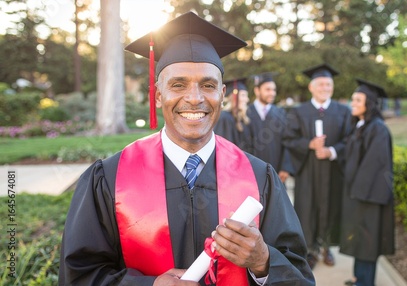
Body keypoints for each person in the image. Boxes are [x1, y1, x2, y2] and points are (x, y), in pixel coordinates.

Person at [59, 12, 314, 286]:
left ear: (222, 95)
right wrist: (150, 285)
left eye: (208, 85)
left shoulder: (258, 177)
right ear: (158, 95)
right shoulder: (110, 178)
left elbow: (299, 275)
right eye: (178, 85)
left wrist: (264, 262)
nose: (194, 98)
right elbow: (80, 276)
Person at [283, 63, 351, 269]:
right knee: (307, 208)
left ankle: (326, 247)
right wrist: (309, 144)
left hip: (332, 171)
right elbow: (288, 139)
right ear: (311, 87)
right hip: (308, 171)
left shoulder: (343, 111)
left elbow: (350, 140)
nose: (325, 88)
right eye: (320, 84)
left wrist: (331, 151)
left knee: (330, 207)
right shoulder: (299, 112)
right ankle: (309, 250)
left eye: (328, 84)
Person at [339, 79, 395, 286]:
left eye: (357, 100)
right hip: (358, 195)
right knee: (360, 242)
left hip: (368, 197)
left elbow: (376, 165)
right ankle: (358, 278)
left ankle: (365, 282)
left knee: (368, 244)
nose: (352, 103)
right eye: (352, 99)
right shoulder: (360, 126)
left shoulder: (377, 129)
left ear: (368, 104)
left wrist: (357, 192)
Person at [245, 72, 293, 183]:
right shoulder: (246, 113)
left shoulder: (281, 113)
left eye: (274, 90)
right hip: (251, 173)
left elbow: (288, 141)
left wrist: (285, 167)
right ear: (257, 91)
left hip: (276, 172)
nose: (272, 93)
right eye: (268, 89)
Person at [213, 77, 250, 148]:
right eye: (243, 95)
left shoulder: (240, 119)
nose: (247, 99)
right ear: (234, 97)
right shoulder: (224, 118)